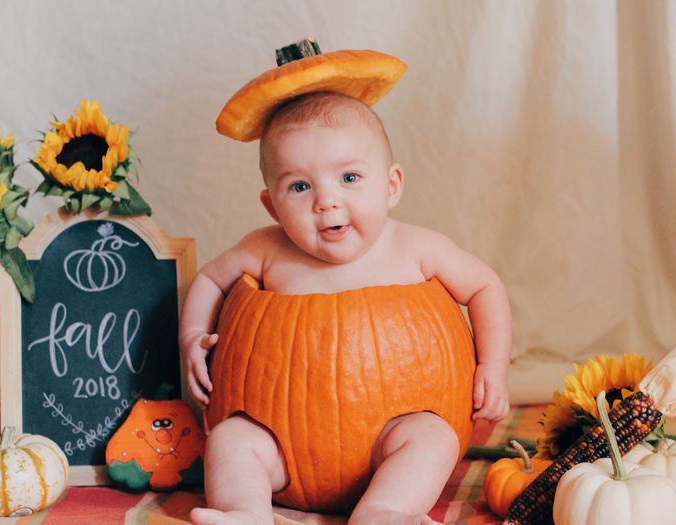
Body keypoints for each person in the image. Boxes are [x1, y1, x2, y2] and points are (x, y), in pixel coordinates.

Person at [180, 91, 512, 525]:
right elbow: (207, 279)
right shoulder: (264, 250)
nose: (326, 201)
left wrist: (493, 366)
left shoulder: (416, 248)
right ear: (272, 206)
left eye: (350, 178)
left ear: (391, 185)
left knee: (435, 436)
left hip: (388, 441)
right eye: (299, 187)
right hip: (282, 449)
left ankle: (385, 510)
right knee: (229, 437)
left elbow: (485, 286)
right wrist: (191, 338)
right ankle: (245, 511)